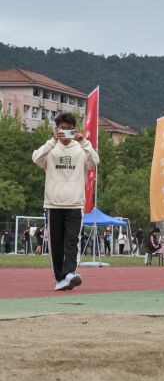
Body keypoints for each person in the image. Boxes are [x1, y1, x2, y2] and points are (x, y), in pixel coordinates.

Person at [32, 112, 100, 291]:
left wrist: (83, 141)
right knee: (56, 245)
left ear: (74, 130)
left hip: (75, 203)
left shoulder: (80, 149)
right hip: (53, 204)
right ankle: (59, 278)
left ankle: (69, 274)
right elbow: (36, 158)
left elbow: (95, 161)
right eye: (62, 129)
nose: (65, 132)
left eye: (69, 129)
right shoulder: (50, 149)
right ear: (56, 129)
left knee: (72, 241)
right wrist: (52, 141)